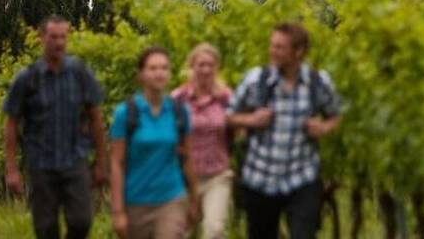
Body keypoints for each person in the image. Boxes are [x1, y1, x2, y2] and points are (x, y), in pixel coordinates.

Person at [228, 22, 343, 239]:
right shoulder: (256, 80)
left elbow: (336, 115)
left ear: (299, 52)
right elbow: (228, 116)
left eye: (280, 47)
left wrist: (323, 127)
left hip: (302, 178)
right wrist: (251, 120)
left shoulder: (317, 83)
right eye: (272, 46)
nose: (273, 51)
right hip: (260, 178)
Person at [3, 14, 107, 239]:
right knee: (46, 228)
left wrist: (101, 162)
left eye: (63, 37)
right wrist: (11, 169)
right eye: (53, 37)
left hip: (75, 160)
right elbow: (11, 123)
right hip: (41, 163)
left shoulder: (80, 74)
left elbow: (96, 118)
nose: (59, 42)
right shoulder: (27, 79)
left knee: (82, 221)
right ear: (42, 38)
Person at [109, 46, 199, 239]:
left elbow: (187, 157)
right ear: (141, 74)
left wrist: (194, 199)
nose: (159, 73)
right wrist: (117, 211)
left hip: (171, 198)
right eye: (153, 68)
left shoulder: (179, 112)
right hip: (135, 201)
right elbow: (116, 163)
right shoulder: (126, 113)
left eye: (164, 68)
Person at [171, 43, 233, 239]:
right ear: (192, 66)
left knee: (214, 230)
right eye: (201, 64)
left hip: (217, 175)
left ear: (217, 68)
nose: (205, 69)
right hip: (183, 178)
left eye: (210, 65)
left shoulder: (226, 98)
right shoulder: (177, 98)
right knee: (180, 232)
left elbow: (236, 131)